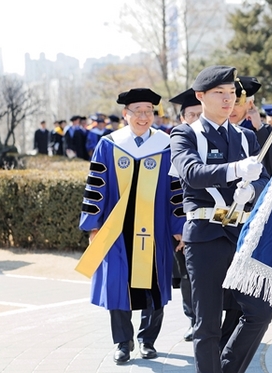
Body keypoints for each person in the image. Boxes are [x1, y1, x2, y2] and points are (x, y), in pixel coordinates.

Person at [169, 65, 272, 373]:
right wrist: (236, 170)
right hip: (205, 235)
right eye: (219, 93)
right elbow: (192, 173)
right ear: (200, 97)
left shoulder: (245, 137)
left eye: (231, 93)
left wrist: (251, 191)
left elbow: (264, 180)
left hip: (242, 235)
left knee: (260, 311)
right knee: (208, 324)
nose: (228, 100)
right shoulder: (185, 134)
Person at [77, 88, 185, 364]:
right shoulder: (109, 144)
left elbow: (176, 190)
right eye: (138, 111)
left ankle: (147, 340)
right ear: (126, 115)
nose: (144, 116)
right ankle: (122, 342)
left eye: (149, 111)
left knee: (156, 284)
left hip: (156, 229)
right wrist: (93, 226)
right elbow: (96, 187)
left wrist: (179, 225)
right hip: (117, 229)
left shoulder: (166, 144)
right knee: (117, 285)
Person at [168, 87, 203, 342]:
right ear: (182, 118)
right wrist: (179, 228)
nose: (196, 119)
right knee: (188, 277)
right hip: (183, 226)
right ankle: (193, 320)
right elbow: (172, 193)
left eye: (201, 114)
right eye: (192, 114)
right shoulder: (179, 144)